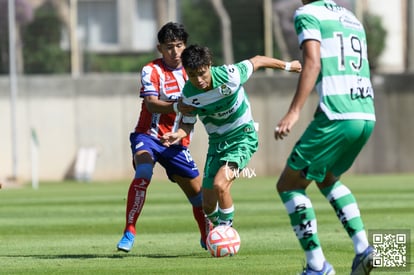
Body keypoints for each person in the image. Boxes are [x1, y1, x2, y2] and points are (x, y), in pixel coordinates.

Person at [274, 1, 376, 274]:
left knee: (289, 185)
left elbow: (313, 63)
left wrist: (294, 111)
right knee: (328, 178)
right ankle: (363, 248)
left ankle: (317, 266)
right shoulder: (350, 16)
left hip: (337, 115)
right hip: (365, 113)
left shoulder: (307, 14)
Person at [161, 45, 301, 229]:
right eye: (193, 75)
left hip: (243, 137)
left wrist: (289, 66)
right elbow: (187, 123)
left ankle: (226, 232)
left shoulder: (230, 75)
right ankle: (221, 232)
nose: (199, 79)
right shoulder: (188, 95)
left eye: (202, 73)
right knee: (208, 205)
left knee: (220, 185)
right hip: (217, 144)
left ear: (210, 65)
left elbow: (258, 60)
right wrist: (178, 134)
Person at [116, 22, 209, 252]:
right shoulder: (151, 70)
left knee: (198, 195)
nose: (175, 52)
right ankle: (129, 229)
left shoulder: (193, 73)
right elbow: (151, 104)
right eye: (169, 47)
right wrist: (179, 106)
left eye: (179, 46)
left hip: (177, 143)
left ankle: (206, 234)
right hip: (148, 136)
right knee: (144, 170)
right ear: (160, 48)